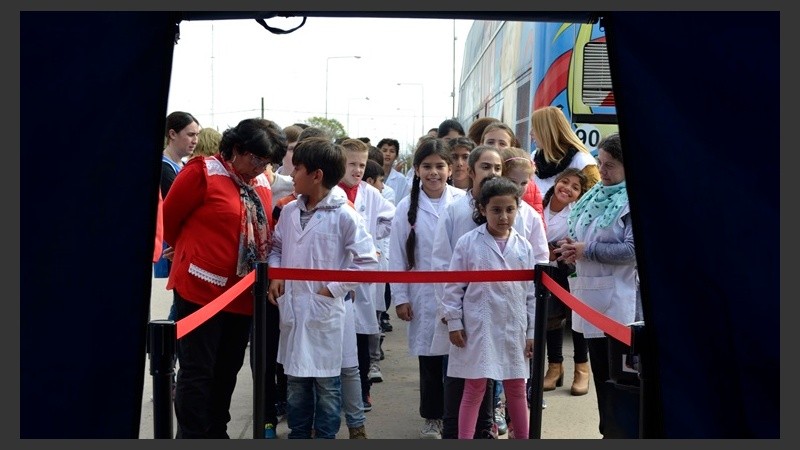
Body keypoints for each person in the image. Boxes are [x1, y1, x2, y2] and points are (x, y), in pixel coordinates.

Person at [163, 117, 287, 438]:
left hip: (242, 294)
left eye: (268, 162)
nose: (261, 168)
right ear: (236, 149)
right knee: (197, 369)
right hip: (200, 288)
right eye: (257, 159)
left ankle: (217, 431)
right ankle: (192, 435)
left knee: (228, 368)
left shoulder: (259, 182)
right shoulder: (203, 171)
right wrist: (188, 248)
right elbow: (172, 219)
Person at [267, 137, 379, 439]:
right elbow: (276, 246)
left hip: (325, 311)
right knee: (295, 384)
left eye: (297, 168)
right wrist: (276, 274)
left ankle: (326, 437)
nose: (291, 175)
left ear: (316, 175)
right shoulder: (290, 213)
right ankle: (298, 435)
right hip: (294, 309)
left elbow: (367, 262)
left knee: (328, 386)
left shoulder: (344, 215)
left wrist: (333, 289)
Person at [554, 133, 636, 438]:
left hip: (620, 304)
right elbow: (582, 238)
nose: (602, 171)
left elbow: (631, 251)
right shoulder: (593, 196)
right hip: (591, 296)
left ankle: (622, 433)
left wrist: (586, 250)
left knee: (621, 380)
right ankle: (608, 432)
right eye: (600, 162)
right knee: (602, 377)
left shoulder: (630, 200)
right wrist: (570, 248)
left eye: (610, 165)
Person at [442, 176, 537, 440]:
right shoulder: (468, 243)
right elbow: (453, 288)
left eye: (509, 209)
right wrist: (454, 323)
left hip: (513, 327)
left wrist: (531, 332)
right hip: (478, 326)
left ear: (517, 208)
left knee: (517, 387)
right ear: (483, 209)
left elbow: (531, 294)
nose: (503, 216)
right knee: (474, 387)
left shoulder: (524, 247)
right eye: (496, 209)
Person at [388, 137, 466, 439]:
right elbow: (396, 255)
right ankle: (433, 417)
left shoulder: (462, 201)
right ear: (417, 170)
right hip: (421, 293)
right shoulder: (405, 207)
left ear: (451, 168)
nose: (434, 172)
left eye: (440, 166)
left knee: (458, 358)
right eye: (426, 166)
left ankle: (457, 416)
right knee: (430, 360)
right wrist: (401, 297)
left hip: (457, 291)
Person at [430, 145, 506, 439]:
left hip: (494, 309)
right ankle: (453, 433)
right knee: (457, 376)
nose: (492, 174)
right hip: (460, 310)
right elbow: (441, 263)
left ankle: (484, 431)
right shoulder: (454, 211)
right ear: (471, 172)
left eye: (497, 168)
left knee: (486, 375)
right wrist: (450, 315)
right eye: (485, 167)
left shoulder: (509, 210)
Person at [337, 138, 395, 423]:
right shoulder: (332, 192)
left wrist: (375, 240)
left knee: (360, 337)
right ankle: (338, 393)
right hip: (335, 275)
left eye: (361, 165)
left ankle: (363, 391)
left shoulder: (370, 194)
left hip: (361, 276)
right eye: (352, 164)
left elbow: (390, 219)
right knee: (337, 338)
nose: (358, 170)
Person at [540, 168, 591, 396]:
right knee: (551, 319)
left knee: (576, 319)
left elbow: (580, 240)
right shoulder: (538, 203)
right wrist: (544, 251)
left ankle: (581, 369)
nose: (567, 189)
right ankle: (554, 367)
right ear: (556, 182)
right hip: (543, 269)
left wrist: (557, 249)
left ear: (579, 195)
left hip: (568, 269)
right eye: (565, 182)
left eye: (575, 188)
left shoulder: (578, 212)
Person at [155, 111, 200, 281]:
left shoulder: (185, 165)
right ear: (172, 134)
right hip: (167, 248)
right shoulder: (164, 168)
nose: (195, 140)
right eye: (190, 135)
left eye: (197, 135)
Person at [530, 105, 600, 196]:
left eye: (535, 128)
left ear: (547, 131)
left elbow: (595, 197)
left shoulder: (582, 161)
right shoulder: (534, 157)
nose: (531, 133)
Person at [481, 122, 544, 218]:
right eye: (490, 142)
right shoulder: (480, 176)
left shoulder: (529, 185)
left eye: (502, 143)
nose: (496, 147)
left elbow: (538, 217)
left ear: (512, 146)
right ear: (481, 144)